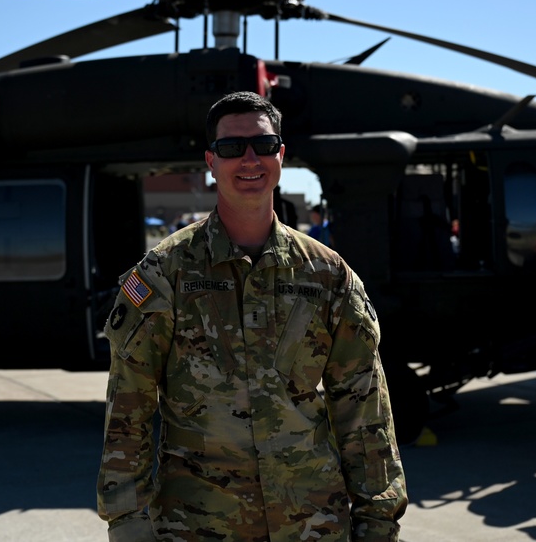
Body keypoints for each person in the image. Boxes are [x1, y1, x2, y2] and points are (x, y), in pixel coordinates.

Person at [96, 91, 407, 541]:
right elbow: (130, 406)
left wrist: (379, 520)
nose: (249, 159)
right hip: (198, 525)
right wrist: (128, 523)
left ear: (281, 156)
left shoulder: (328, 276)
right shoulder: (166, 272)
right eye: (230, 148)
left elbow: (364, 410)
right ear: (210, 160)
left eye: (263, 146)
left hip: (312, 524)